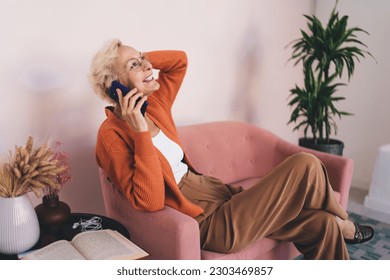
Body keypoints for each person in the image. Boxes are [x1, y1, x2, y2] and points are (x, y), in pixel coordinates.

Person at [89, 39, 374, 260]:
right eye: (133, 66)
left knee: (322, 224)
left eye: (142, 60)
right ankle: (345, 222)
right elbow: (149, 201)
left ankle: (335, 226)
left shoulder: (156, 107)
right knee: (305, 163)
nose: (147, 67)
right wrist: (140, 132)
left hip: (221, 196)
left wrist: (142, 60)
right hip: (207, 222)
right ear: (114, 87)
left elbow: (180, 61)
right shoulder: (111, 135)